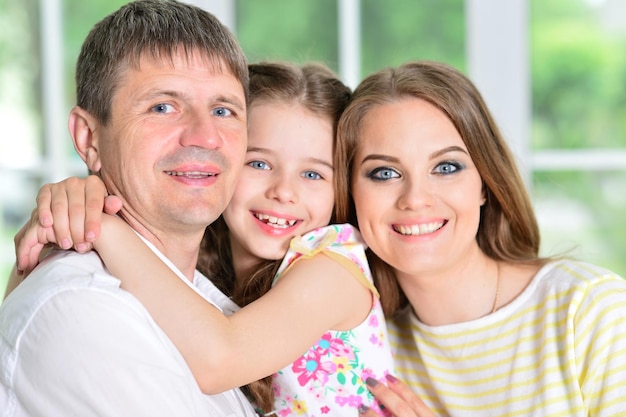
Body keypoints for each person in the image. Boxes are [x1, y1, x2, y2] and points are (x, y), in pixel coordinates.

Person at [6, 61, 397, 417]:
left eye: (313, 174)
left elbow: (220, 360)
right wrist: (64, 223)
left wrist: (103, 227)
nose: (284, 191)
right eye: (258, 163)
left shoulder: (334, 268)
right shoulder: (209, 281)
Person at [0, 0, 259, 415]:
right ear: (88, 138)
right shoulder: (84, 310)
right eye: (162, 107)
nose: (205, 136)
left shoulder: (216, 300)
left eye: (223, 110)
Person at [334, 60, 626, 415]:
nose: (415, 199)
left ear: (485, 183)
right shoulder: (364, 349)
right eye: (384, 172)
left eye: (446, 167)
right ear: (350, 193)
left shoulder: (591, 311)